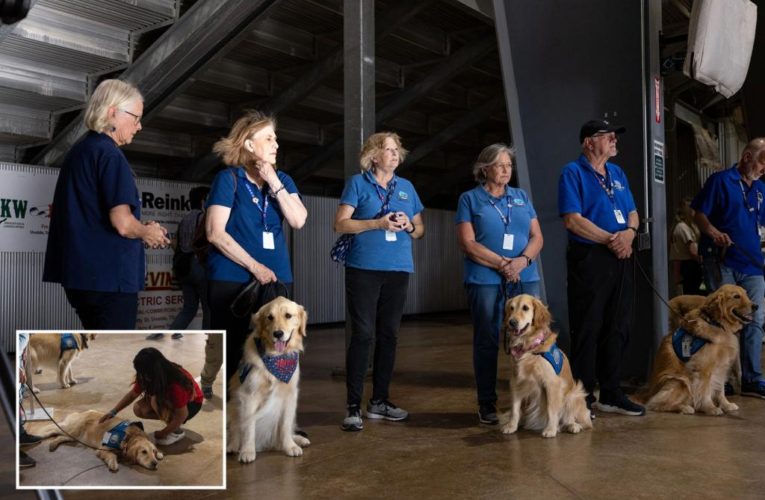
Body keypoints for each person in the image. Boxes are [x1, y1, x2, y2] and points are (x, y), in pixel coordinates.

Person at [42, 79, 169, 329]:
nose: (139, 126)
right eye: (135, 118)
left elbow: (91, 215)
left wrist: (139, 225)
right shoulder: (110, 155)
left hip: (80, 278)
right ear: (113, 112)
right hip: (109, 280)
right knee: (115, 356)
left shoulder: (81, 151)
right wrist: (146, 232)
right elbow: (122, 224)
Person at [205, 110, 307, 383]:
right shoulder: (229, 179)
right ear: (250, 144)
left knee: (276, 354)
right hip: (233, 280)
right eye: (269, 139)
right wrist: (254, 266)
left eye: (276, 139)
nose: (276, 145)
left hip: (275, 281)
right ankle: (225, 415)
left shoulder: (282, 181)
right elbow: (215, 233)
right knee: (230, 351)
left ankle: (270, 422)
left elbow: (298, 219)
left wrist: (273, 181)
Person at [334, 132, 425, 432]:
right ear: (374, 156)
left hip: (398, 269)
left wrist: (409, 225)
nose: (395, 154)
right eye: (388, 149)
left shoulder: (407, 188)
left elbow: (420, 230)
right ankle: (353, 406)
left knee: (389, 335)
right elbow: (341, 223)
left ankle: (380, 402)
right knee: (363, 334)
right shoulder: (358, 184)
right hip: (363, 269)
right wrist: (378, 223)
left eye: (397, 149)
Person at [558, 119, 645, 417]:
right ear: (588, 142)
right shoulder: (573, 172)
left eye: (614, 136)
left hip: (621, 256)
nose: (613, 140)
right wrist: (612, 239)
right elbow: (572, 219)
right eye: (607, 136)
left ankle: (611, 392)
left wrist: (629, 234)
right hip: (590, 257)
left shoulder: (617, 173)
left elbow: (633, 212)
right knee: (588, 327)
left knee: (618, 326)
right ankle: (582, 395)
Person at [455, 144, 543, 425]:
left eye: (509, 165)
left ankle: (532, 401)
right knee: (488, 338)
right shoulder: (469, 199)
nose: (506, 170)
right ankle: (487, 403)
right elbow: (468, 243)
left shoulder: (521, 196)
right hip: (485, 279)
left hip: (524, 277)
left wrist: (522, 262)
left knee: (533, 338)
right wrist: (503, 264)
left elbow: (537, 236)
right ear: (485, 169)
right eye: (500, 165)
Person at [692, 138, 765, 398]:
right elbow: (699, 215)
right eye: (761, 163)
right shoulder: (720, 181)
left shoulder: (760, 189)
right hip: (722, 261)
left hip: (753, 265)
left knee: (754, 320)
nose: (762, 170)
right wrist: (713, 233)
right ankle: (722, 379)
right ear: (747, 157)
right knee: (722, 320)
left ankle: (753, 379)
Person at [99, 347, 203, 445]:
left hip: (192, 405)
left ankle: (176, 432)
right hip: (173, 400)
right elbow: (132, 395)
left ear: (153, 371)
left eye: (143, 373)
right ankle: (171, 424)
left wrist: (160, 434)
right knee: (139, 409)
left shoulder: (175, 384)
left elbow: (182, 415)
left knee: (156, 400)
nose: (141, 375)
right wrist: (113, 411)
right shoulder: (147, 374)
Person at [147, 186, 212, 342]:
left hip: (184, 268)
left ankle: (170, 334)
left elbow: (175, 244)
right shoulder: (204, 217)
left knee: (189, 308)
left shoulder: (184, 220)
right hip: (199, 268)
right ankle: (208, 342)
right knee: (208, 309)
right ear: (203, 200)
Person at [669, 197, 703, 296]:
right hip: (689, 265)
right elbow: (692, 250)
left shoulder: (681, 226)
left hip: (684, 265)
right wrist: (703, 261)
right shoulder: (683, 227)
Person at [18, 333, 42, 469]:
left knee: (18, 401)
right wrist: (18, 367)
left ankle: (20, 435)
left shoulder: (25, 335)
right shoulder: (22, 335)